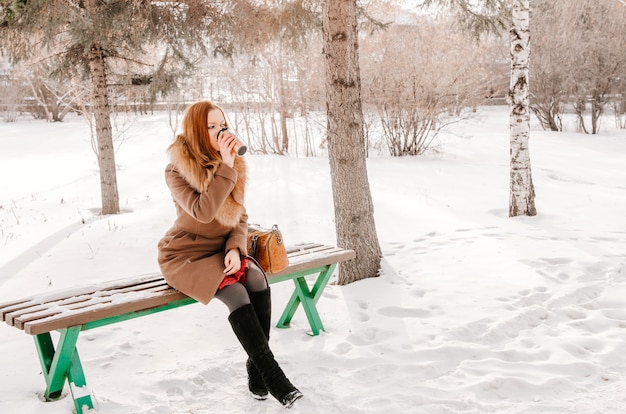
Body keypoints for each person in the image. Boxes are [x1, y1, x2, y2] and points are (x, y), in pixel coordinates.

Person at [157, 100, 303, 408]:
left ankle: (256, 368)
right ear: (197, 130)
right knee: (236, 291)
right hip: (185, 255)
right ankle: (275, 378)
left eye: (222, 125)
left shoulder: (230, 165)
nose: (219, 131)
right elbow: (204, 211)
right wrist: (226, 165)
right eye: (211, 126)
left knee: (256, 277)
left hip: (220, 250)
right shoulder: (177, 169)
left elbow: (239, 215)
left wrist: (236, 247)